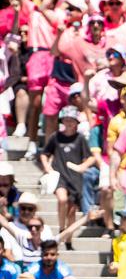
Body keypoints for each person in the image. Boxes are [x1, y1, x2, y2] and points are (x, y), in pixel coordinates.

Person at [39, 106, 94, 251]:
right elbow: (45, 153)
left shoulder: (80, 138)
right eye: (66, 120)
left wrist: (82, 167)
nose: (69, 123)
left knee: (72, 211)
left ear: (76, 122)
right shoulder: (56, 137)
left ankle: (68, 239)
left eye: (71, 120)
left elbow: (90, 157)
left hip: (75, 178)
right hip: (60, 175)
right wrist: (47, 167)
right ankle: (61, 228)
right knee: (62, 199)